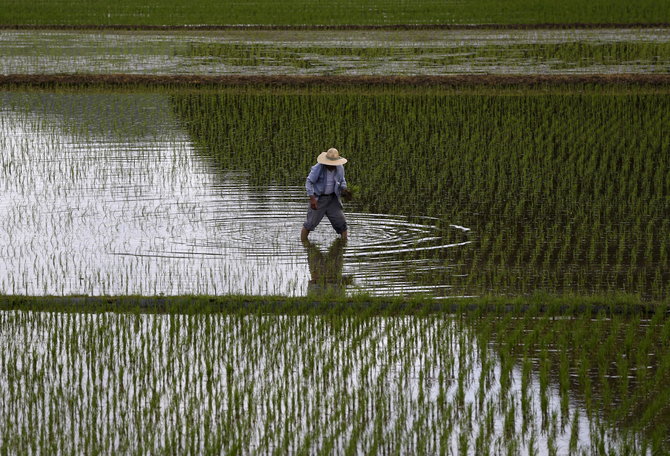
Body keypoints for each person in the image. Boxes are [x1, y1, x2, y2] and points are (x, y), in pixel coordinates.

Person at [301, 148, 350, 241]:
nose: (332, 166)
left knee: (342, 223)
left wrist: (344, 190)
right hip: (319, 199)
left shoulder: (340, 168)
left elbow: (342, 180)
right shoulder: (318, 167)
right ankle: (304, 244)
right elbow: (309, 181)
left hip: (333, 199)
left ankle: (343, 246)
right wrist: (312, 198)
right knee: (309, 224)